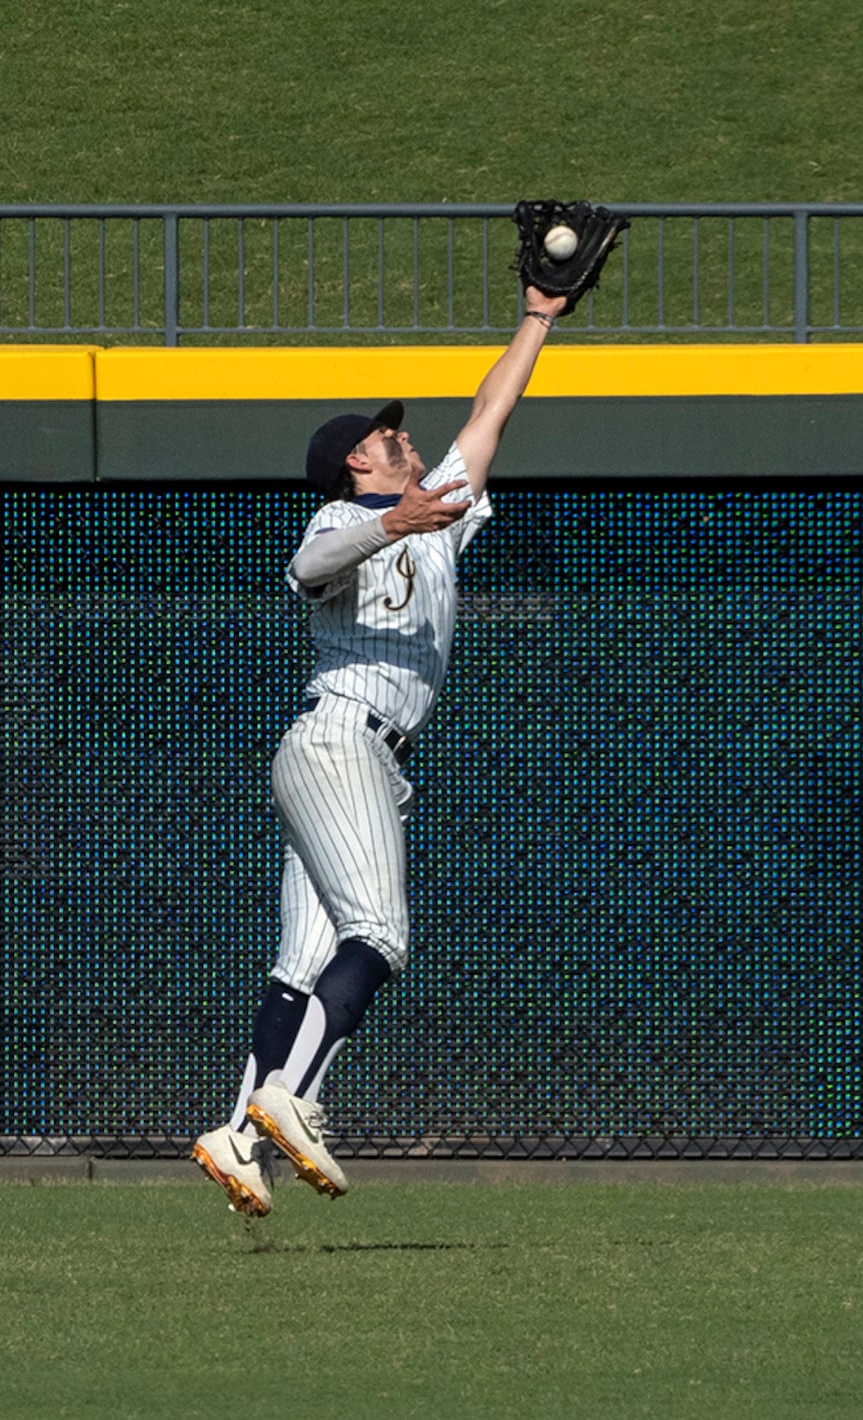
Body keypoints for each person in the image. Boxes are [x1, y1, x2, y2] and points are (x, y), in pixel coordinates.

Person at [192, 283, 571, 1214]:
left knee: (301, 965)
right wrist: (391, 522)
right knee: (381, 936)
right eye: (387, 433)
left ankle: (242, 1137)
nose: (405, 436)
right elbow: (305, 570)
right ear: (358, 460)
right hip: (339, 741)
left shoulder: (438, 506)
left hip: (351, 757)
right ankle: (289, 1100)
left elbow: (492, 411)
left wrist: (539, 317)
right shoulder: (343, 519)